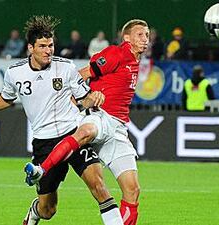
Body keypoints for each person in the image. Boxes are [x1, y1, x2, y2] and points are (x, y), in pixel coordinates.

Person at [0, 15, 124, 225]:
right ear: (30, 48)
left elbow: (85, 98)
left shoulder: (66, 67)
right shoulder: (15, 73)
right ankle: (35, 210)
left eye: (51, 45)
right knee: (48, 210)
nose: (48, 50)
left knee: (99, 186)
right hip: (44, 143)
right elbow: (5, 99)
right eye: (42, 46)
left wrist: (95, 97)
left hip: (74, 134)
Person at [24, 19, 150, 225]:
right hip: (100, 116)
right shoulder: (115, 53)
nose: (145, 39)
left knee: (132, 190)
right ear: (126, 38)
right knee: (86, 132)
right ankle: (41, 170)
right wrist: (74, 100)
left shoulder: (134, 60)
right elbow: (82, 74)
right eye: (140, 34)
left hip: (118, 129)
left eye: (147, 35)